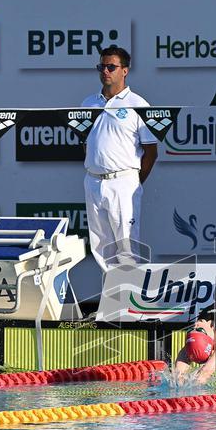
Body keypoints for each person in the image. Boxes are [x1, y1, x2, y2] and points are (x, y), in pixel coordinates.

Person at [81, 45, 157, 270]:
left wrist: (133, 182)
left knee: (127, 247)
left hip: (124, 182)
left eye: (111, 67)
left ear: (125, 70)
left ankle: (129, 293)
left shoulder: (138, 104)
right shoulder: (88, 103)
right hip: (93, 181)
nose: (105, 71)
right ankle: (112, 292)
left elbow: (151, 152)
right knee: (100, 247)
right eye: (102, 67)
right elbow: (86, 143)